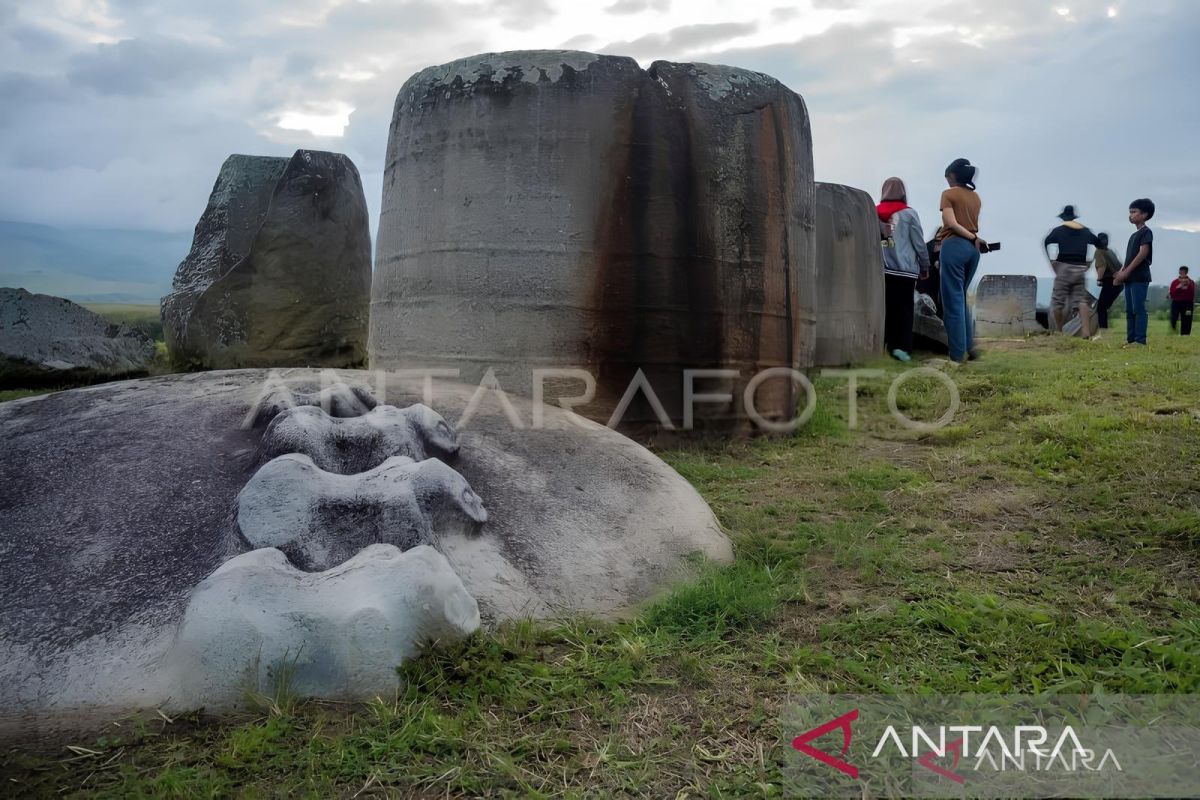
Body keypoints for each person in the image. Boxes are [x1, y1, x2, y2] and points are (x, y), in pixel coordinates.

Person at [937, 158, 987, 363]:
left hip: (955, 246)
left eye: (948, 177)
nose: (947, 181)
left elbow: (951, 223)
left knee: (952, 302)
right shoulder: (975, 197)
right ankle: (969, 347)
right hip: (973, 251)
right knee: (961, 298)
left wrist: (972, 237)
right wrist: (974, 238)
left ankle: (956, 356)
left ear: (953, 176)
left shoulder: (948, 194)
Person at [877, 177, 931, 362]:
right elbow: (918, 242)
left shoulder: (873, 212)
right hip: (905, 271)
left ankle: (884, 346)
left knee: (885, 309)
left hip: (882, 271)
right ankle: (901, 349)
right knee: (904, 311)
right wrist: (925, 265)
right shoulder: (909, 214)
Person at [1043, 205, 1099, 337]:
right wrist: (1089, 262)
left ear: (1063, 218)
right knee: (1081, 300)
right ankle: (1086, 333)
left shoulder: (1058, 231)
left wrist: (1051, 262)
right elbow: (1100, 243)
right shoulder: (1085, 231)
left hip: (1063, 267)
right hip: (1080, 268)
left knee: (1058, 302)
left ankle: (1060, 332)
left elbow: (1046, 242)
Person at [1113, 198, 1155, 347]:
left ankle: (1140, 340)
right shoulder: (1133, 235)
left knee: (1138, 309)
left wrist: (1126, 272)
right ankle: (1131, 339)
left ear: (1144, 215)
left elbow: (1142, 253)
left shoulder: (1146, 232)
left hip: (1139, 277)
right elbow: (1129, 258)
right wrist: (1120, 273)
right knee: (1129, 310)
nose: (1130, 215)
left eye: (1134, 212)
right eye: (1130, 212)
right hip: (1130, 278)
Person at [1093, 232, 1123, 329]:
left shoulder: (1099, 251)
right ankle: (1103, 328)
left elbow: (1102, 266)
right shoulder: (1110, 251)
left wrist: (1099, 279)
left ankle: (1103, 330)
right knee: (1104, 307)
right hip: (1119, 283)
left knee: (1101, 307)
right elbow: (1120, 266)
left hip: (1110, 281)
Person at [1169, 266, 1195, 335]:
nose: (1182, 274)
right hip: (1176, 303)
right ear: (1179, 272)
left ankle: (1185, 335)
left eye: (1184, 272)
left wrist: (1188, 286)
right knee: (1173, 318)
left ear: (1186, 272)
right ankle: (1173, 329)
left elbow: (1192, 294)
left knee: (1187, 319)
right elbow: (1172, 294)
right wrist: (1179, 286)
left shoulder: (1191, 282)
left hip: (1188, 304)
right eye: (1181, 272)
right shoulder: (1174, 282)